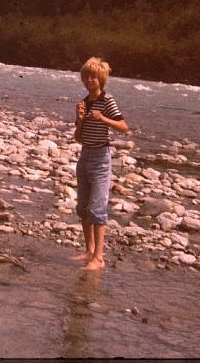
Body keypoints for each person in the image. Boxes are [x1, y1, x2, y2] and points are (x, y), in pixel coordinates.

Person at [70, 57, 128, 270]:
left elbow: (123, 127)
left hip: (101, 158)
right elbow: (78, 137)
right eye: (86, 76)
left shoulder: (107, 100)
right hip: (84, 155)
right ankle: (88, 250)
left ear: (101, 79)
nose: (89, 80)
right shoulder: (83, 103)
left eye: (93, 76)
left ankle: (99, 258)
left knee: (97, 208)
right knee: (83, 207)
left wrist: (103, 119)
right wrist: (81, 119)